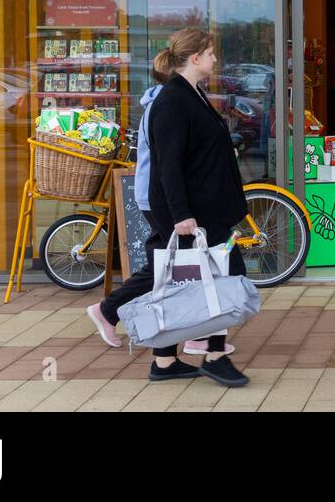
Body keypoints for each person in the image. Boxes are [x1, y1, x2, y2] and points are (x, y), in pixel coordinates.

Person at [86, 61, 235, 359]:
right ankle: (190, 338)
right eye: (207, 54)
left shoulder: (172, 99)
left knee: (174, 266)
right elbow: (169, 162)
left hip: (161, 198)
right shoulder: (165, 104)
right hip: (160, 199)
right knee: (181, 266)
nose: (214, 60)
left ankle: (115, 314)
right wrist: (181, 209)